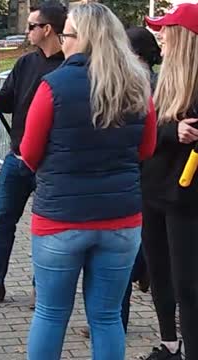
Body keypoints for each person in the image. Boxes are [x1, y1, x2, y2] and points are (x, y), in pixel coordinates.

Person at [20, 3, 157, 359]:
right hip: (122, 219)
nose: (63, 42)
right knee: (107, 316)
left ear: (81, 38)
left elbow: (30, 153)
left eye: (66, 35)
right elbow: (147, 148)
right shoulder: (139, 86)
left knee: (51, 314)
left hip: (60, 218)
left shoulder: (54, 86)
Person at [0, 1, 66, 308]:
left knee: (45, 230)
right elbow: (7, 102)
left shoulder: (70, 66)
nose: (27, 31)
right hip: (17, 159)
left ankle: (41, 289)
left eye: (32, 26)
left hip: (49, 163)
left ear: (47, 29)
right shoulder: (25, 64)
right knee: (2, 222)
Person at [80, 26, 161, 340]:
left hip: (140, 179)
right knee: (130, 255)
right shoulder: (144, 83)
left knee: (124, 260)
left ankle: (119, 316)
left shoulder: (141, 86)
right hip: (143, 177)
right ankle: (143, 271)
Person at [140, 3, 198, 359]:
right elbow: (143, 135)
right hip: (153, 193)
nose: (159, 36)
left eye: (166, 30)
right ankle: (169, 345)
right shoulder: (160, 83)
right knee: (159, 276)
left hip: (186, 201)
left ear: (185, 38)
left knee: (187, 286)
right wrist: (169, 132)